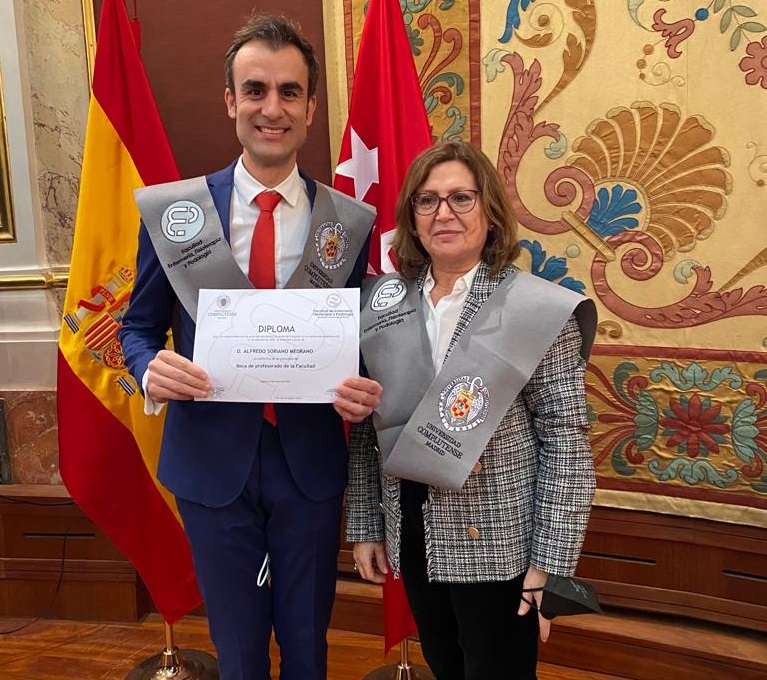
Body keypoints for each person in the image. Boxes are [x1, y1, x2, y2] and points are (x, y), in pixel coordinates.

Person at [119, 13, 381, 680]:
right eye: (255, 90)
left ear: (310, 107)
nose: (272, 108)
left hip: (309, 462)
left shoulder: (348, 224)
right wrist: (150, 369)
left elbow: (357, 339)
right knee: (237, 650)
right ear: (230, 102)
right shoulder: (176, 214)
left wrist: (363, 386)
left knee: (308, 647)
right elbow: (136, 328)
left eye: (289, 92)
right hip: (211, 462)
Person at [345, 140, 597, 680]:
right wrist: (366, 523)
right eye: (427, 200)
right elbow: (369, 426)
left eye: (462, 197)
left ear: (490, 211)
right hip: (412, 528)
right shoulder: (383, 303)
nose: (444, 213)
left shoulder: (535, 307)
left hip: (501, 542)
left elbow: (566, 442)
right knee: (444, 664)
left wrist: (549, 565)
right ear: (412, 216)